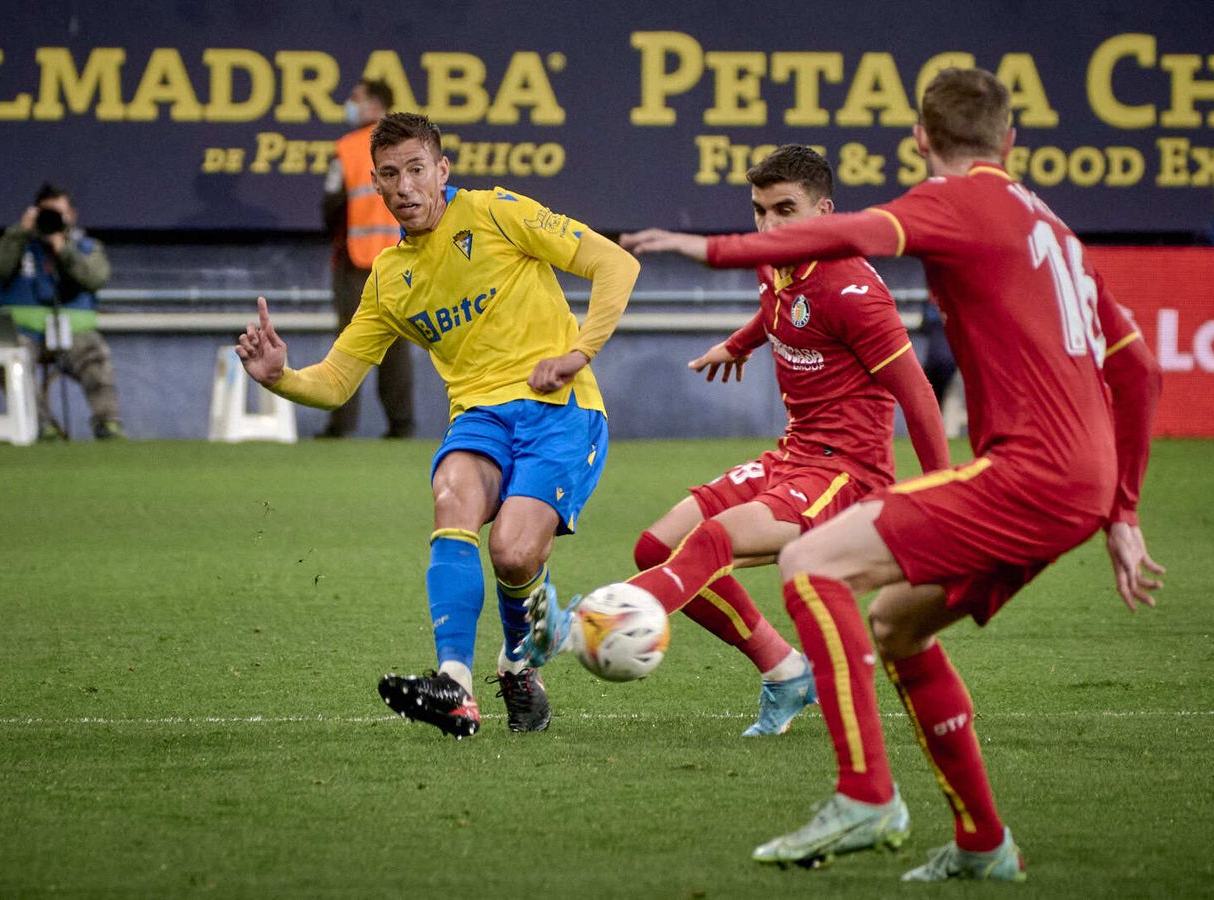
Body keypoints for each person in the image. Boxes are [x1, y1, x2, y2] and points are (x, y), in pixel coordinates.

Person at [621, 67, 1164, 879]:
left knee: (810, 564)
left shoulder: (956, 201)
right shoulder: (1052, 228)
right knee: (897, 627)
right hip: (1081, 484)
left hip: (1029, 476)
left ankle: (866, 794)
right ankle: (986, 843)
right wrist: (1121, 508)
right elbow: (1139, 371)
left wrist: (708, 249)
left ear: (920, 140)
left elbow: (841, 239)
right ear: (1010, 141)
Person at [522, 145, 950, 739]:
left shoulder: (853, 291)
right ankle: (784, 670)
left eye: (785, 211)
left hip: (846, 473)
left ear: (824, 211)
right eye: (759, 211)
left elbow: (920, 397)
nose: (769, 227)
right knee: (656, 546)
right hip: (793, 454)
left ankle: (576, 624)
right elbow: (781, 309)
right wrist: (741, 343)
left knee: (713, 541)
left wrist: (939, 497)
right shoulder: (774, 262)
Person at [235, 112, 640, 738]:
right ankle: (455, 682)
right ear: (375, 183)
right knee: (449, 493)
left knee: (511, 552)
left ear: (442, 170)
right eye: (389, 175)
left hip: (562, 410)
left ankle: (518, 663)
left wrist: (578, 352)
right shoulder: (390, 279)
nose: (404, 187)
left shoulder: (497, 211)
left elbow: (615, 264)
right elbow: (339, 379)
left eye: (416, 170)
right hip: (478, 417)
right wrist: (280, 377)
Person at [0, 182, 124, 440]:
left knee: (96, 355)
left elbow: (96, 277)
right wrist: (19, 233)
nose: (53, 221)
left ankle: (108, 424)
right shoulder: (17, 243)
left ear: (72, 215)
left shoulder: (85, 247)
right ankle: (41, 425)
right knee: (8, 360)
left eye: (59, 214)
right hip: (23, 333)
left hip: (74, 334)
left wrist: (64, 249)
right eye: (46, 214)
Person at [320, 78, 416, 439]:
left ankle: (341, 425)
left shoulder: (346, 149)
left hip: (355, 262)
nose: (350, 104)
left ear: (375, 105)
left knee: (349, 342)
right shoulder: (408, 148)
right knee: (396, 344)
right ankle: (402, 426)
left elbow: (332, 205)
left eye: (356, 98)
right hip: (401, 260)